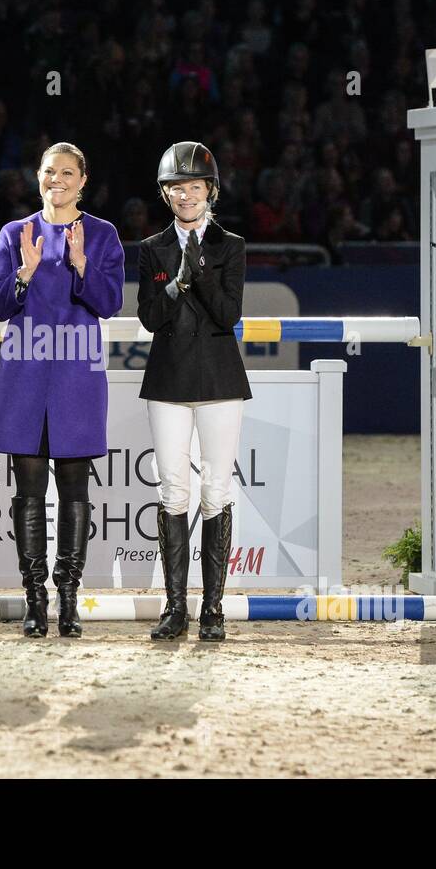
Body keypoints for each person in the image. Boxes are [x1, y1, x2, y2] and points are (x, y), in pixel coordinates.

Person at [0, 142, 125, 638]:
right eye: (49, 171)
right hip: (24, 376)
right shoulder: (13, 233)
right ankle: (35, 597)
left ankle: (69, 597)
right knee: (26, 492)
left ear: (83, 180)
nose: (57, 179)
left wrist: (83, 264)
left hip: (75, 379)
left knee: (74, 490)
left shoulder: (104, 235)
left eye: (67, 172)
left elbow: (109, 303)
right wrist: (24, 272)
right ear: (37, 177)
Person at [136, 142, 251, 641]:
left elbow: (228, 315)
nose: (186, 195)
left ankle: (214, 610)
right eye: (176, 188)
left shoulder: (232, 246)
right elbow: (148, 317)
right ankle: (175, 608)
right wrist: (174, 284)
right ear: (167, 194)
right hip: (168, 379)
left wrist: (197, 272)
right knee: (172, 490)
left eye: (194, 186)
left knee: (216, 491)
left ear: (211, 190)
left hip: (219, 380)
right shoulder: (151, 248)